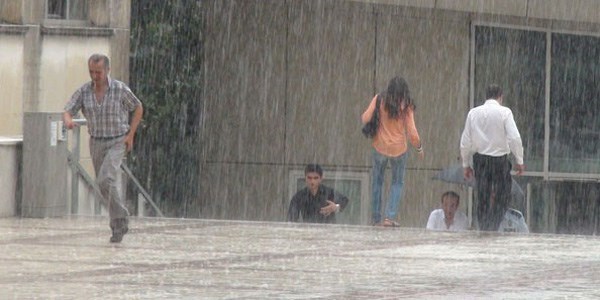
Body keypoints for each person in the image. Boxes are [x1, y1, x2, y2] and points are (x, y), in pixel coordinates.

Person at [63, 53, 144, 243]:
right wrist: (68, 120)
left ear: (107, 70)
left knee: (106, 177)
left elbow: (138, 107)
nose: (95, 76)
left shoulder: (119, 89)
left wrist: (131, 134)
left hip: (118, 140)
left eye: (98, 72)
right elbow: (68, 109)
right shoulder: (84, 91)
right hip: (96, 141)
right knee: (103, 184)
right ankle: (118, 225)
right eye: (91, 72)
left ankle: (120, 218)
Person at [460, 84, 524, 231]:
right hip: (499, 160)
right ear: (500, 96)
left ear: (486, 96)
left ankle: (484, 227)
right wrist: (519, 160)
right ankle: (494, 224)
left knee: (483, 195)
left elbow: (465, 141)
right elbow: (514, 138)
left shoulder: (473, 113)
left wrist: (465, 164)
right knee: (503, 195)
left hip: (481, 160)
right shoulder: (505, 112)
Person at [361, 76, 424, 227]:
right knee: (397, 183)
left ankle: (376, 219)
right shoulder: (406, 106)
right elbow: (412, 132)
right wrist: (419, 148)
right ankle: (389, 218)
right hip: (399, 149)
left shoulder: (379, 99)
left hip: (380, 147)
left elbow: (365, 118)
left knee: (377, 182)